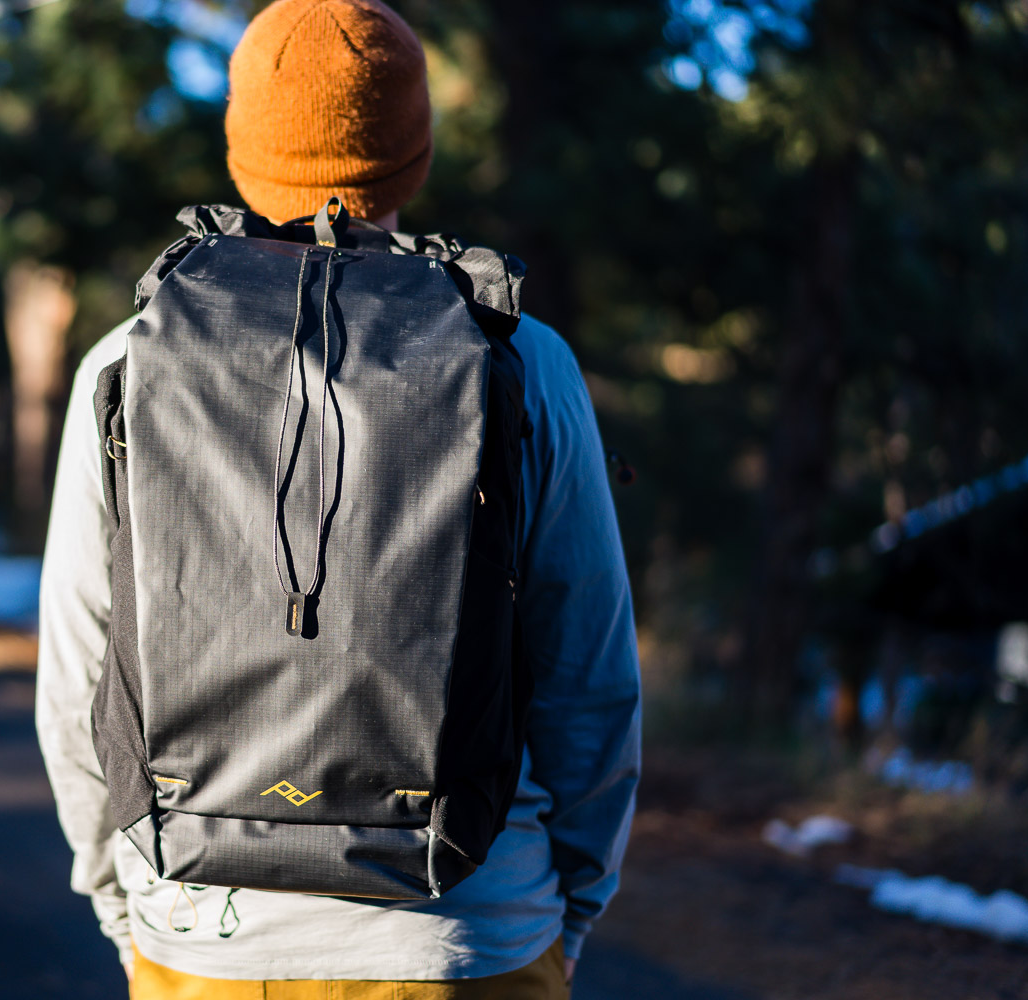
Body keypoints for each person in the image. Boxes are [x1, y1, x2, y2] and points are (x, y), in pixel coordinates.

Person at [34, 1, 641, 997]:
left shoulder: (129, 360)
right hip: (469, 933)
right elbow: (589, 672)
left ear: (245, 152)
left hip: (202, 939)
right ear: (410, 156)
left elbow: (78, 671)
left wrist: (123, 897)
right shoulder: (518, 355)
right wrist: (566, 905)